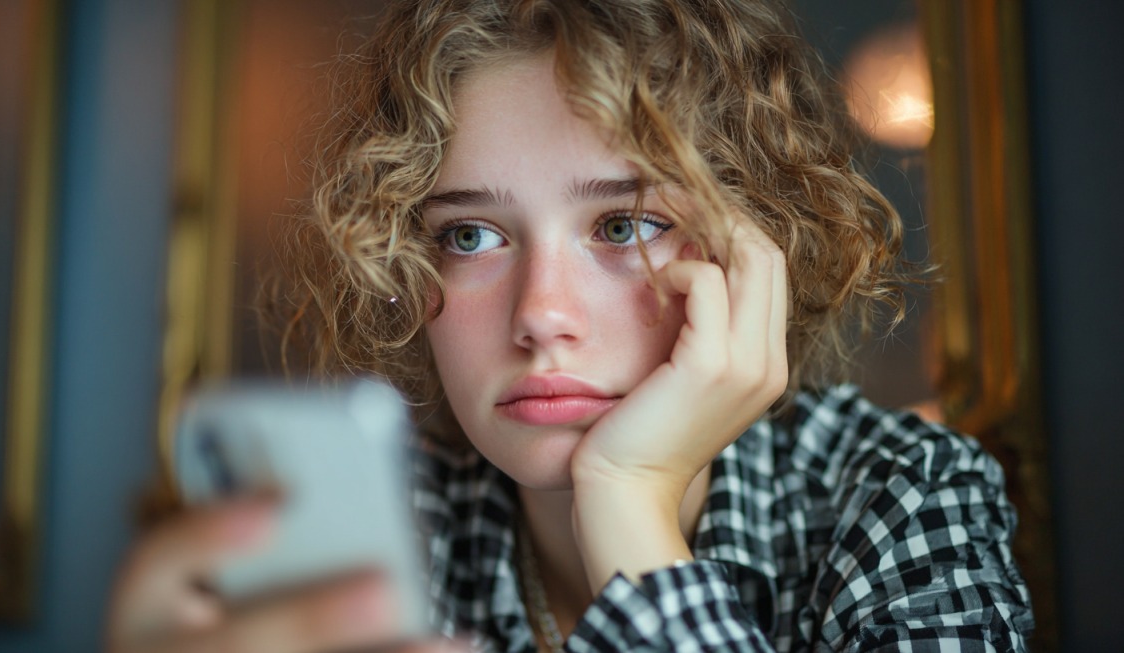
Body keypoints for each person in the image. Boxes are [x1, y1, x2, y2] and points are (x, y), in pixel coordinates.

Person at [107, 1, 1035, 651]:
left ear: (751, 249)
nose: (540, 316)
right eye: (469, 235)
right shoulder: (382, 535)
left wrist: (628, 497)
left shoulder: (905, 498)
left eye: (624, 226)